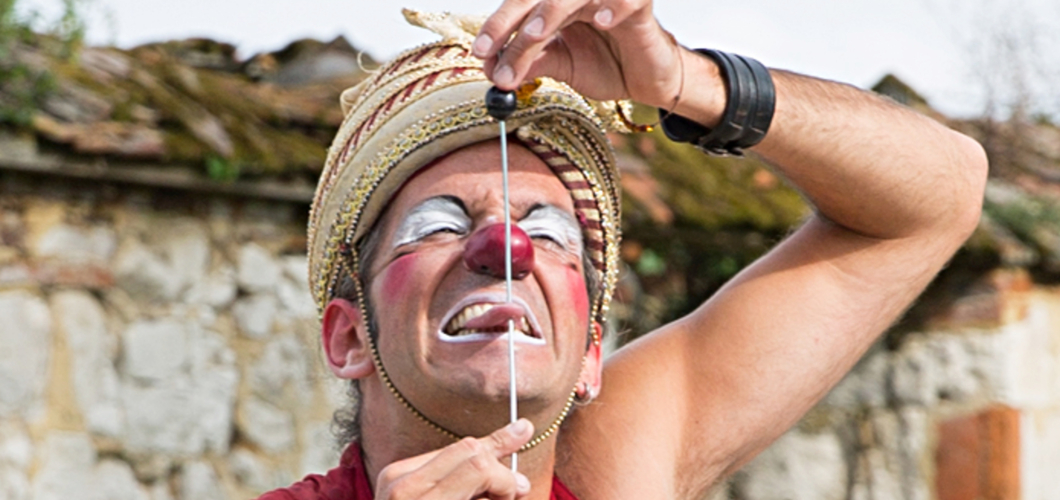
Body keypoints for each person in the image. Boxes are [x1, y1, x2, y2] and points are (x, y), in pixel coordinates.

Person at [264, 2, 988, 499]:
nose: (504, 250)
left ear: (590, 354)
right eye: (439, 225)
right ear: (348, 336)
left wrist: (687, 81)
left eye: (550, 233)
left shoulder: (611, 467)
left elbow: (941, 195)